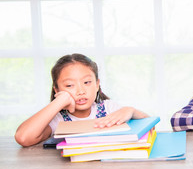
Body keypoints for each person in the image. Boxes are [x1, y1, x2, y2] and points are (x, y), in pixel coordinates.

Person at [15, 53, 149, 147]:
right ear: (57, 90)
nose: (80, 91)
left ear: (97, 84)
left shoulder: (108, 108)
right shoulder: (58, 120)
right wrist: (60, 101)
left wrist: (130, 110)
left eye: (87, 82)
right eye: (69, 85)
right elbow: (23, 138)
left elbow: (150, 125)